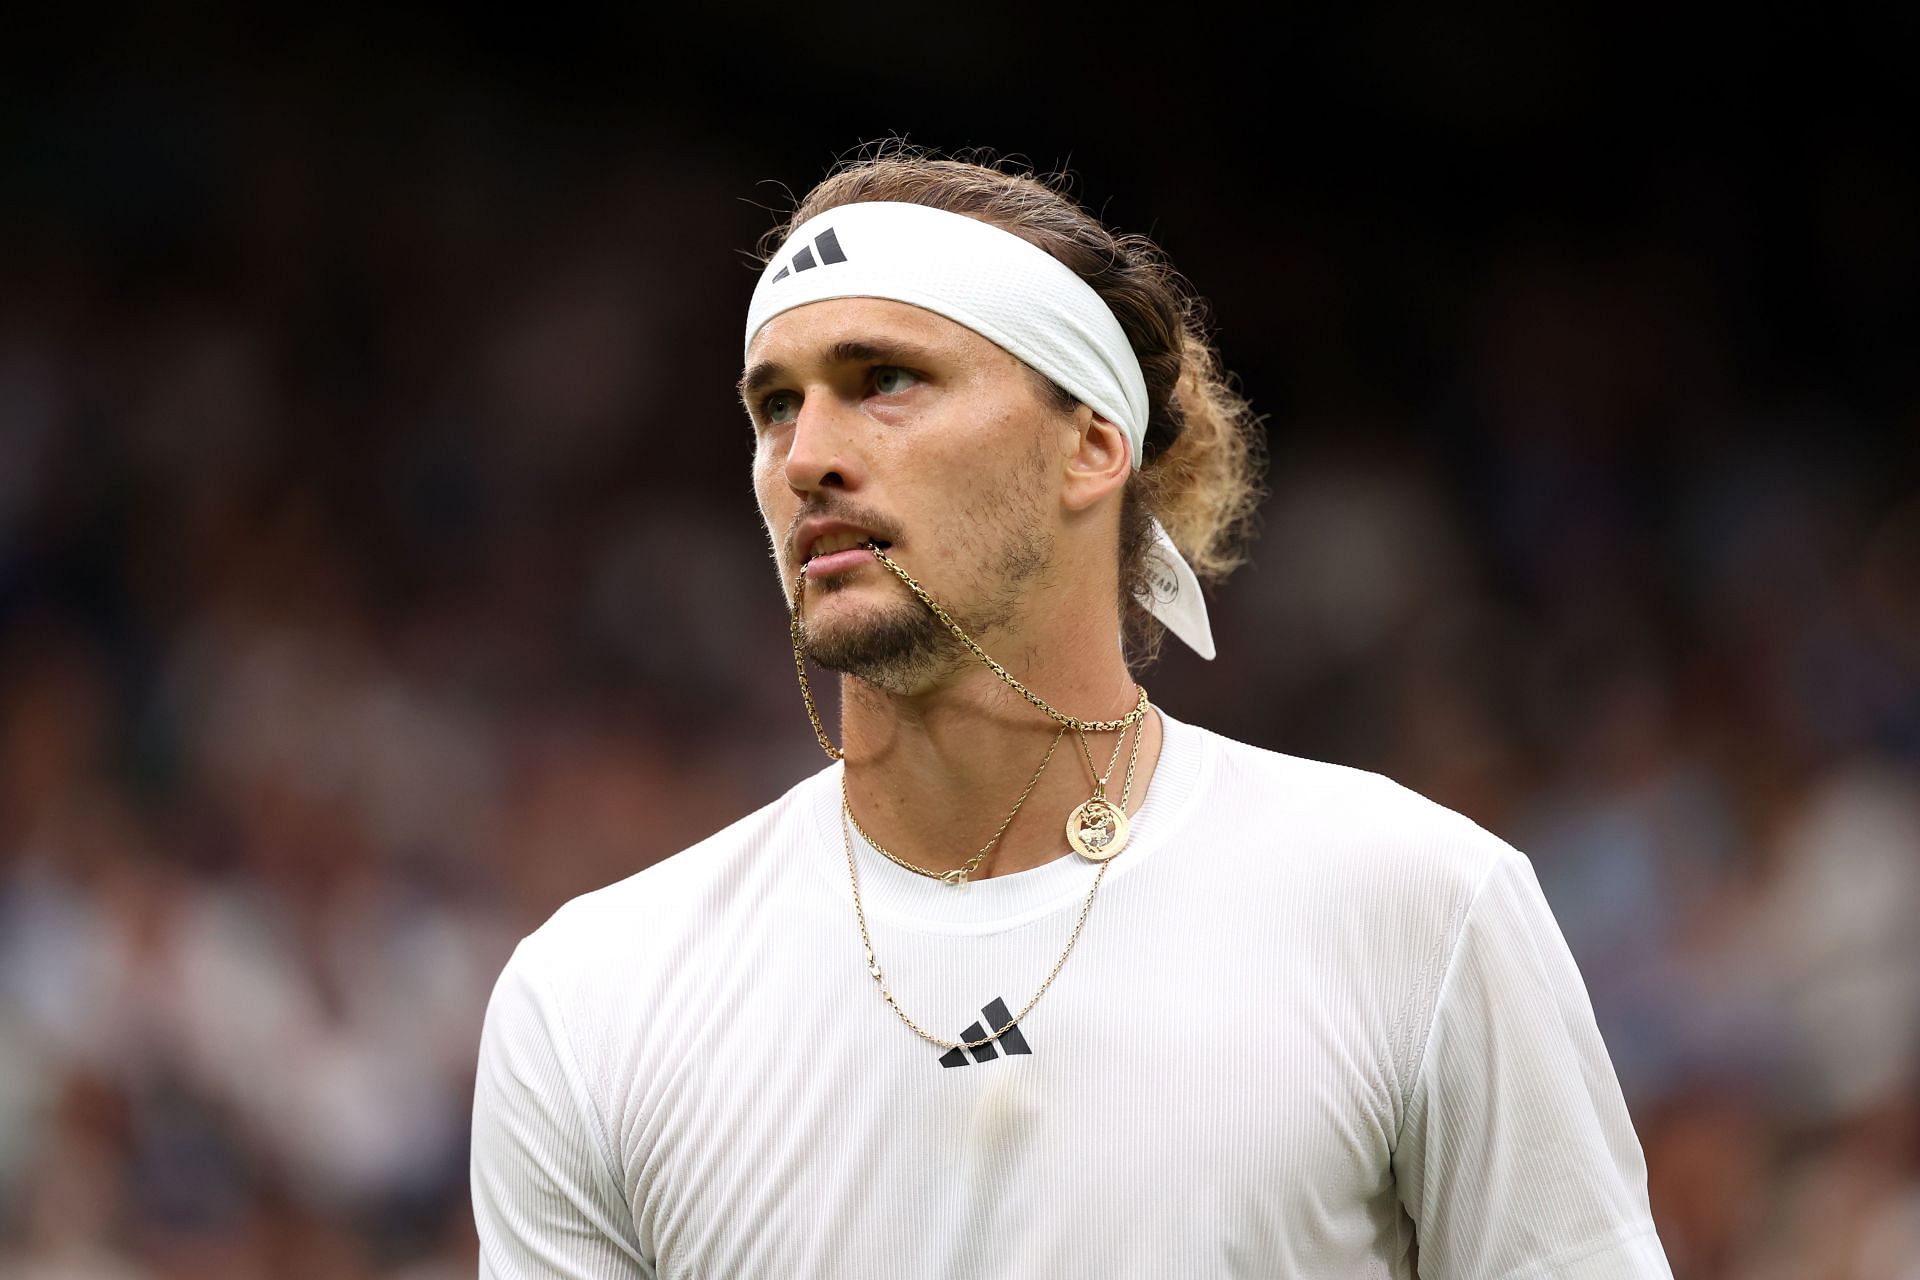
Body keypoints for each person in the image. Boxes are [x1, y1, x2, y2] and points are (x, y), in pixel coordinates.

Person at [469, 149, 1673, 1278]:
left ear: (1092, 446)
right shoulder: (590, 997)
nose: (806, 457)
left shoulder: (1420, 903)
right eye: (776, 405)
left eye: (885, 380)